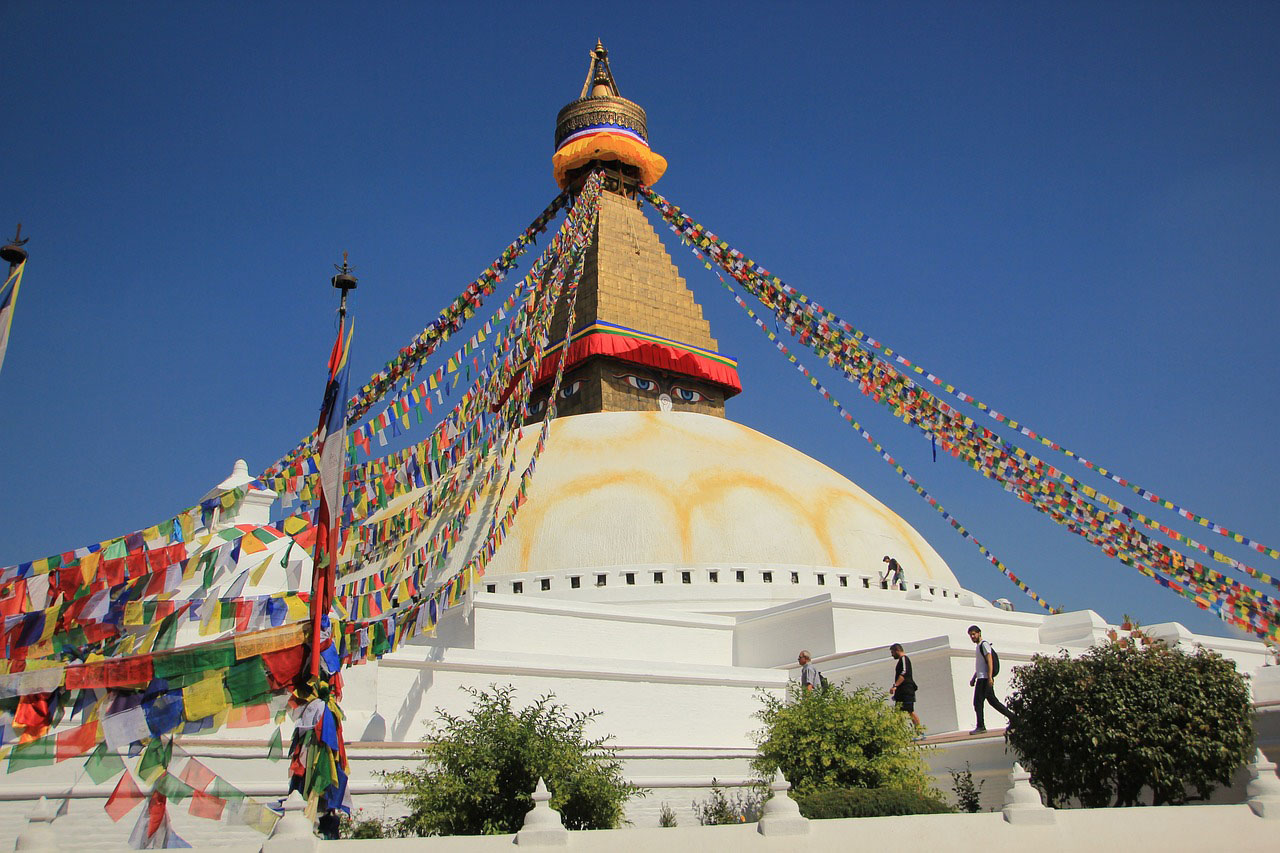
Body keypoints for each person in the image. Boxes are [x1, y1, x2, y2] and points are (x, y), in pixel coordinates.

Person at [968, 625, 1013, 734]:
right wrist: (974, 677)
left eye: (974, 634)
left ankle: (981, 726)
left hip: (984, 679)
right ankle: (1014, 719)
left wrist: (989, 677)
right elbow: (981, 665)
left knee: (977, 702)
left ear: (979, 633)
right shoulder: (979, 646)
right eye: (971, 635)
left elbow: (989, 660)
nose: (973, 636)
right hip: (981, 677)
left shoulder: (984, 645)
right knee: (993, 702)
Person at [888, 643, 921, 728]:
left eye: (892, 652)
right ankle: (898, 733)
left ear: (897, 650)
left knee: (910, 712)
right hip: (901, 693)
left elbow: (904, 672)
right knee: (898, 713)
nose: (892, 655)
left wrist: (895, 685)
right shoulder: (901, 660)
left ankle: (919, 731)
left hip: (906, 691)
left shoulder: (904, 659)